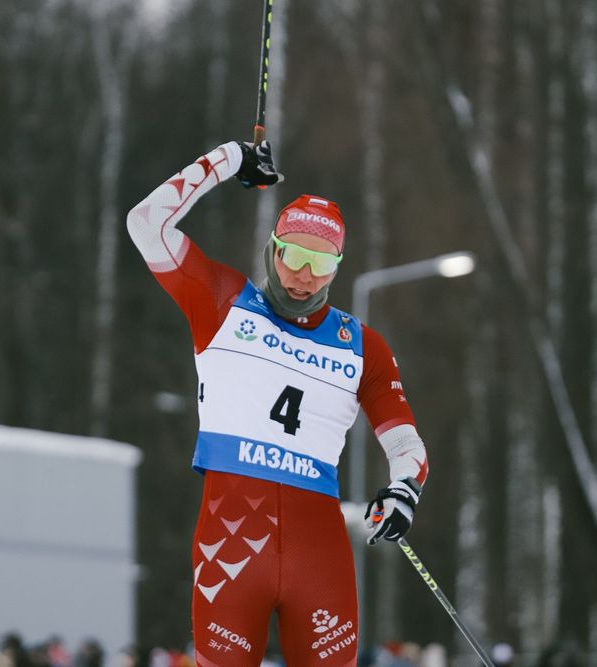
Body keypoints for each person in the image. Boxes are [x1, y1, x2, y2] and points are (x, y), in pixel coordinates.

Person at [127, 140, 429, 667]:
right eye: (292, 254)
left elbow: (404, 438)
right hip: (231, 544)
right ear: (272, 248)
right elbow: (145, 223)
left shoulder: (363, 345)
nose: (303, 274)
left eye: (319, 262)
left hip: (320, 555)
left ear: (337, 267)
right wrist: (226, 161)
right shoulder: (221, 300)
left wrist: (404, 488)